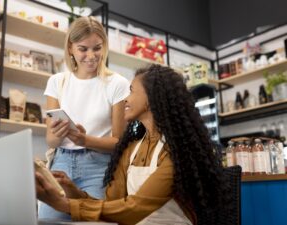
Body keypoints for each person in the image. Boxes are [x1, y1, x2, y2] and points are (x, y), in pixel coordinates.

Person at [36, 64, 230, 225]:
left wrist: (62, 204)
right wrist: (71, 190)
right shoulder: (131, 149)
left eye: (131, 91)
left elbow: (135, 208)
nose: (126, 99)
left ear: (150, 99)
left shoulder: (175, 152)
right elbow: (113, 205)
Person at [40, 16, 130, 220]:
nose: (91, 56)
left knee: (93, 222)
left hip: (99, 166)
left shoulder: (117, 84)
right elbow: (51, 140)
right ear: (70, 48)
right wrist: (58, 133)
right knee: (48, 221)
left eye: (97, 48)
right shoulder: (57, 82)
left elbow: (119, 143)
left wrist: (85, 140)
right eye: (83, 49)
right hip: (61, 163)